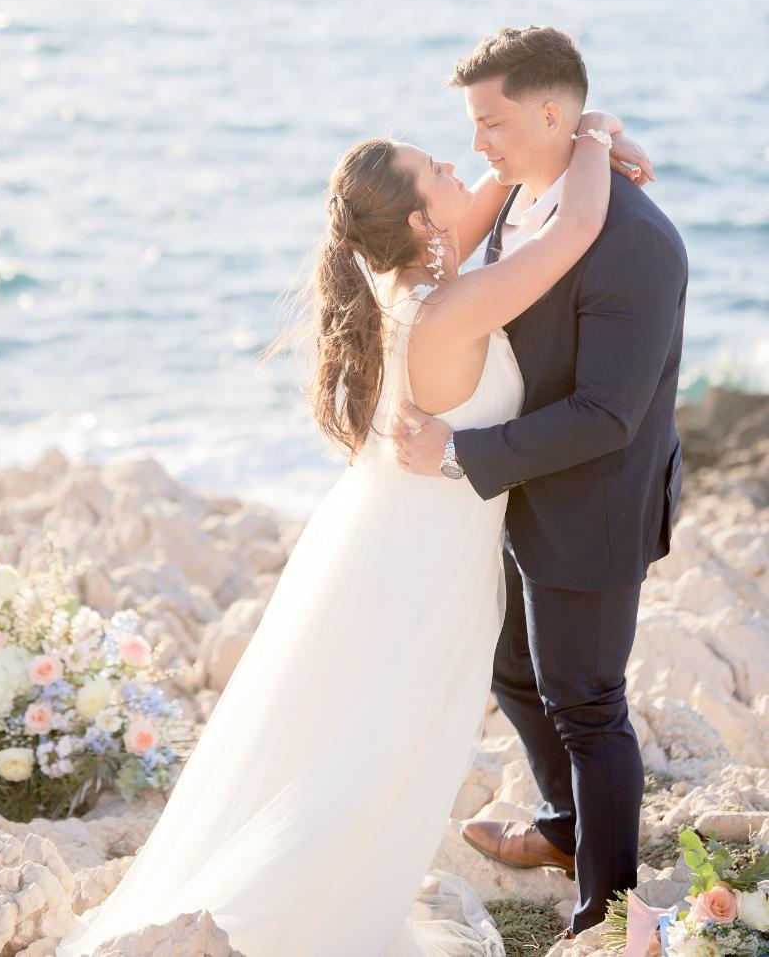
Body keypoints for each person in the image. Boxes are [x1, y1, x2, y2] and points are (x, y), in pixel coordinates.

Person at [57, 70, 651, 956]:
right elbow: (577, 226)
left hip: (398, 538)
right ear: (418, 224)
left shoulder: (402, 285)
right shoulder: (449, 311)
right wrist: (594, 132)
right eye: (436, 168)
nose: (460, 164)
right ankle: (276, 912)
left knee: (365, 734)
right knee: (384, 744)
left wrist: (553, 142)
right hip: (431, 563)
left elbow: (486, 207)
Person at [394, 25, 687, 936]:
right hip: (520, 496)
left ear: (549, 112)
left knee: (590, 705)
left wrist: (456, 456)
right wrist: (595, 130)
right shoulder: (535, 187)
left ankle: (605, 912)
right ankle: (566, 825)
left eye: (492, 122)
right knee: (515, 667)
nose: (479, 145)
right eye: (473, 126)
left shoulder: (633, 242)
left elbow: (608, 416)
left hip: (591, 507)